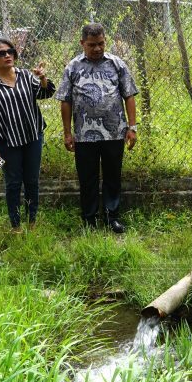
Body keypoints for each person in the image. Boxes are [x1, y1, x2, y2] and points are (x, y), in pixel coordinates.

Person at [56, 23, 138, 233]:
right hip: (83, 135)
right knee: (87, 178)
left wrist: (132, 127)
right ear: (82, 43)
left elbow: (128, 95)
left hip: (114, 132)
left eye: (101, 43)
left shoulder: (116, 64)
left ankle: (112, 217)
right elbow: (65, 101)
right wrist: (67, 133)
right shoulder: (72, 67)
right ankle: (89, 219)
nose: (97, 49)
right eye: (92, 45)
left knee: (113, 175)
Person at [0, 38, 55, 231]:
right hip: (6, 143)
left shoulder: (25, 76)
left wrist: (43, 78)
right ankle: (15, 225)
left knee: (32, 180)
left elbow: (45, 93)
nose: (7, 55)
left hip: (33, 137)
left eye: (10, 51)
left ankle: (32, 221)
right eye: (1, 53)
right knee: (13, 182)